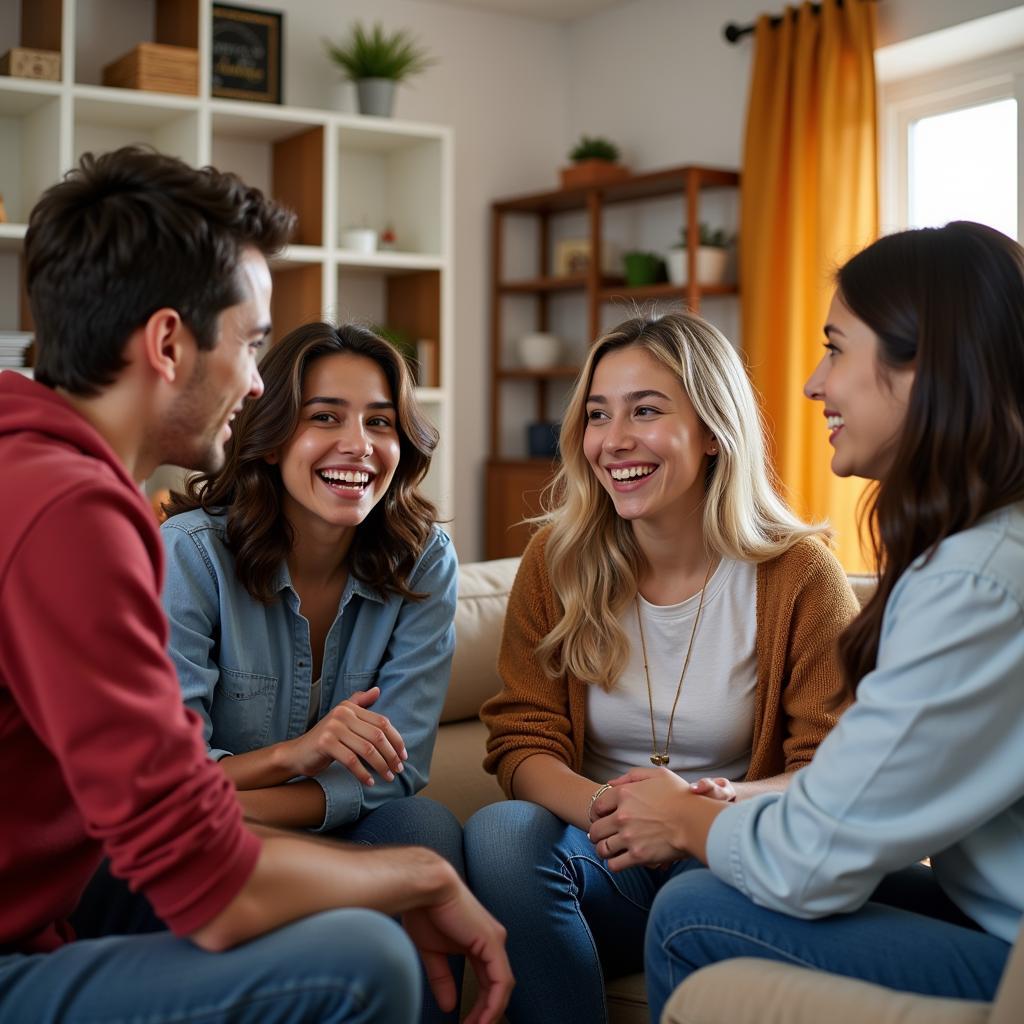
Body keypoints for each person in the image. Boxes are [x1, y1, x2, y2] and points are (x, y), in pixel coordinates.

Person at [0, 146, 511, 1024]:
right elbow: (201, 870)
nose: (256, 381)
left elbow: (163, 819)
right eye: (251, 344)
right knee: (364, 960)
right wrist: (415, 877)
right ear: (168, 343)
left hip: (52, 904)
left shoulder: (35, 466)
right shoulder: (74, 515)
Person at [587, 223, 1024, 1019]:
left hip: (1009, 941)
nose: (814, 383)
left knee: (693, 912)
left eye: (836, 347)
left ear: (926, 364)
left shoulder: (980, 580)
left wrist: (685, 816)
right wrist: (730, 805)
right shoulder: (982, 548)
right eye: (596, 415)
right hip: (989, 911)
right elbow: (860, 798)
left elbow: (817, 852)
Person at [463, 310, 859, 1022]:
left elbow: (831, 772)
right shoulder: (555, 563)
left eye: (645, 411)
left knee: (694, 892)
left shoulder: (800, 578)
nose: (613, 441)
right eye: (597, 415)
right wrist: (614, 813)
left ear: (712, 431)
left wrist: (686, 817)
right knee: (498, 836)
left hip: (728, 861)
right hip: (601, 857)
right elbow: (522, 741)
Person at [160, 321, 462, 1022]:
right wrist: (294, 756)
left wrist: (242, 798)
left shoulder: (426, 560)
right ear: (268, 437)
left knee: (426, 824)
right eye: (324, 417)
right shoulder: (193, 557)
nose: (358, 444)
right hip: (214, 842)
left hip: (264, 816)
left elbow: (399, 768)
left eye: (380, 422)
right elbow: (165, 784)